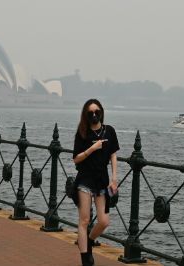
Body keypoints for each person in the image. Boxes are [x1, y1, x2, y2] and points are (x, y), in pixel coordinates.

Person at [72, 98, 119, 266]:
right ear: (86, 115)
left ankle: (89, 241)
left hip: (102, 181)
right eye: (90, 112)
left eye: (96, 112)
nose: (94, 115)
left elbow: (113, 155)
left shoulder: (109, 131)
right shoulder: (82, 132)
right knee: (84, 220)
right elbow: (76, 159)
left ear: (101, 112)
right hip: (85, 179)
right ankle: (86, 258)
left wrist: (114, 178)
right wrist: (92, 148)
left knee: (104, 221)